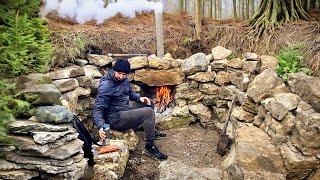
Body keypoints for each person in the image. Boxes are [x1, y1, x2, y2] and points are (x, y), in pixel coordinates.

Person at [92, 59, 167, 161]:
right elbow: (98, 108)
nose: (121, 77)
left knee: (149, 102)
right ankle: (149, 147)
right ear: (114, 70)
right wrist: (100, 126)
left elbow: (130, 93)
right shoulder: (106, 85)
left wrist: (139, 98)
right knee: (148, 113)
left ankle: (150, 132)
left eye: (124, 74)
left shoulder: (124, 80)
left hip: (125, 109)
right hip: (115, 118)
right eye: (119, 73)